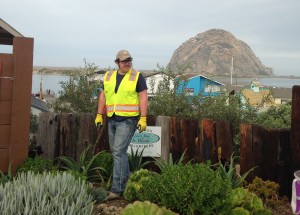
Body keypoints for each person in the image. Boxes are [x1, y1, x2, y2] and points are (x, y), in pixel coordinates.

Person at [95, 50, 148, 199]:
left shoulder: (137, 76)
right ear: (117, 62)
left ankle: (116, 190)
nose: (127, 63)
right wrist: (99, 114)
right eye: (124, 61)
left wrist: (143, 118)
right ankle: (125, 183)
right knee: (118, 152)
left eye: (129, 60)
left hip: (128, 119)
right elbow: (103, 95)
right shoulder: (109, 76)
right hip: (112, 118)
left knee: (118, 152)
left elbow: (143, 97)